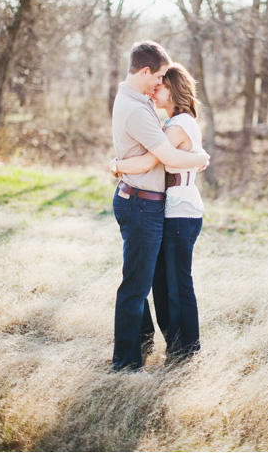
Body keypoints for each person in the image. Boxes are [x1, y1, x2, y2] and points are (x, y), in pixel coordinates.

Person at [110, 41, 209, 372]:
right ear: (145, 71)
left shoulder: (170, 120)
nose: (156, 88)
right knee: (148, 285)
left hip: (175, 210)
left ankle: (180, 349)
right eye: (158, 79)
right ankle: (137, 356)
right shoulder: (144, 110)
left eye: (163, 84)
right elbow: (160, 157)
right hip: (149, 207)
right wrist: (120, 165)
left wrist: (120, 165)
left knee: (171, 284)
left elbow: (159, 157)